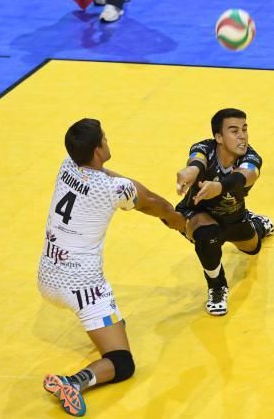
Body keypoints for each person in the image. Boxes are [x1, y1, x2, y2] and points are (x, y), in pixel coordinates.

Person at [38, 118, 184, 416]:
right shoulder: (114, 189)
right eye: (104, 138)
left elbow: (107, 177)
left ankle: (108, 323)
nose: (108, 140)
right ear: (97, 150)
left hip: (46, 276)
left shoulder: (67, 166)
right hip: (83, 288)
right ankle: (74, 382)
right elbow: (155, 203)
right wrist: (181, 223)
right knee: (122, 363)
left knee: (117, 322)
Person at [175, 108, 274, 316]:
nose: (242, 136)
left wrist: (218, 188)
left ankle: (258, 224)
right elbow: (197, 162)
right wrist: (189, 172)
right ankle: (217, 286)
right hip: (198, 212)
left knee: (252, 248)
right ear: (218, 137)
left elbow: (243, 177)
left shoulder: (251, 157)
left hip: (233, 216)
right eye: (234, 131)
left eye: (244, 129)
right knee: (206, 234)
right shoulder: (204, 148)